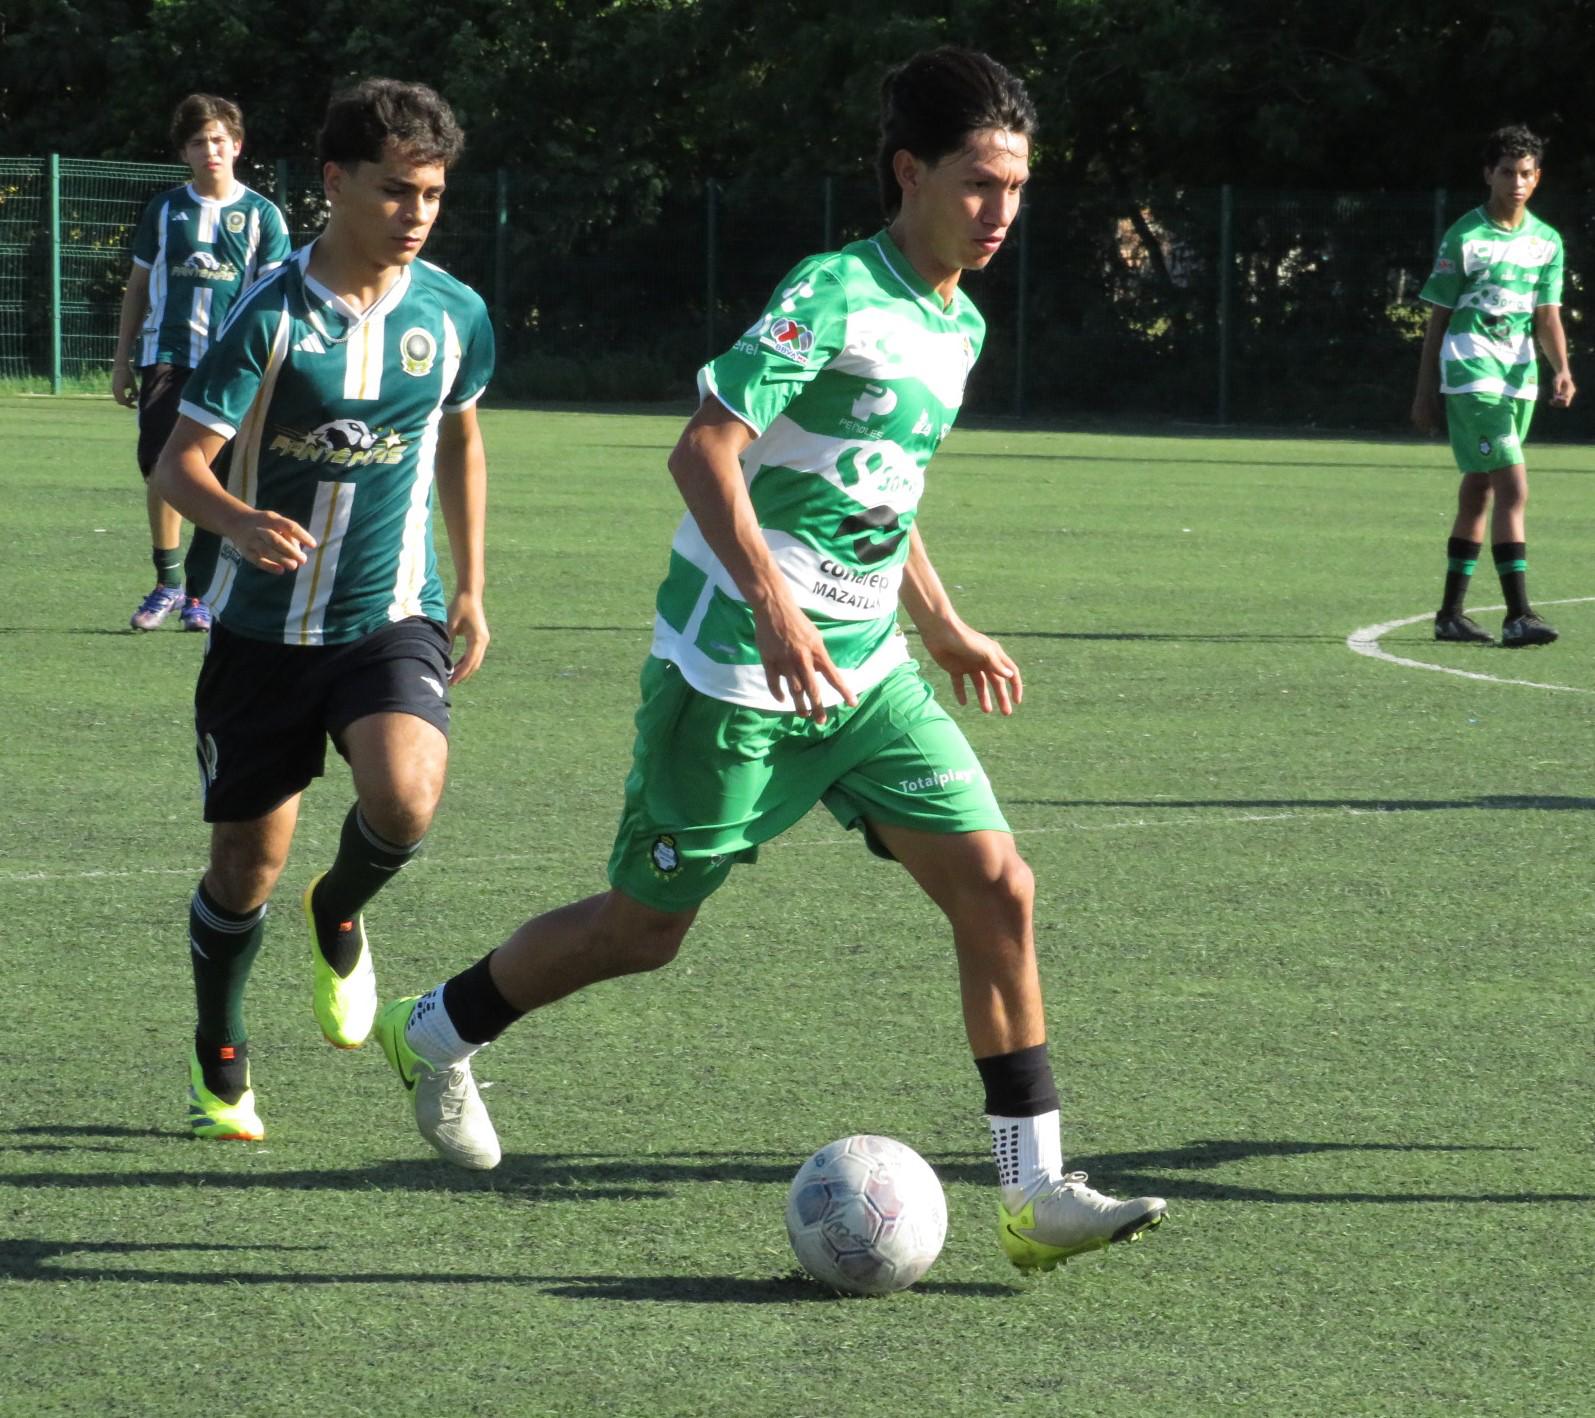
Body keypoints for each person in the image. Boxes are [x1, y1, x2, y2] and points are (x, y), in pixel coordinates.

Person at [371, 47, 1167, 1272]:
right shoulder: (834, 292)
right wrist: (775, 612)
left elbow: (873, 495)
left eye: (1014, 187)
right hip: (732, 677)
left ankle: (1029, 1191)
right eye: (976, 183)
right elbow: (703, 449)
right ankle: (437, 1027)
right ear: (909, 172)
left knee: (998, 887)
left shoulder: (956, 319)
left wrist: (939, 618)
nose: (1000, 211)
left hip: (864, 676)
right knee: (641, 931)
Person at [150, 79, 494, 1142]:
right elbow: (178, 466)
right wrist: (238, 521)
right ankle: (221, 1056)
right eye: (396, 192)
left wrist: (472, 585)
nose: (417, 213)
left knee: (406, 796)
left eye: (432, 194)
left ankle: (339, 907)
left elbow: (462, 440)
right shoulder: (271, 314)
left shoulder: (454, 313)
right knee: (242, 868)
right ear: (335, 183)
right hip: (260, 633)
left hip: (388, 616)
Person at [113, 93, 292, 632]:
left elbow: (278, 299)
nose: (209, 150)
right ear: (185, 152)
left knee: (219, 477)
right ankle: (167, 581)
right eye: (198, 142)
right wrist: (122, 361)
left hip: (236, 368)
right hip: (167, 358)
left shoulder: (262, 214)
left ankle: (199, 592)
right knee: (161, 471)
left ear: (237, 146)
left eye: (218, 140)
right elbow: (139, 287)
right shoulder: (165, 210)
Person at [1412, 124, 1575, 647]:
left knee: (1480, 487)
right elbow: (1436, 321)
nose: (1517, 182)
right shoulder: (1465, 236)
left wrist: (1562, 369)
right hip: (1470, 371)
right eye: (1507, 172)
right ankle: (1518, 614)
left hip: (1517, 378)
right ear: (1489, 174)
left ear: (1538, 177)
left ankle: (1450, 615)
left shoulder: (1546, 241)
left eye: (1526, 173)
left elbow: (1546, 316)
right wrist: (1423, 391)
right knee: (1514, 487)